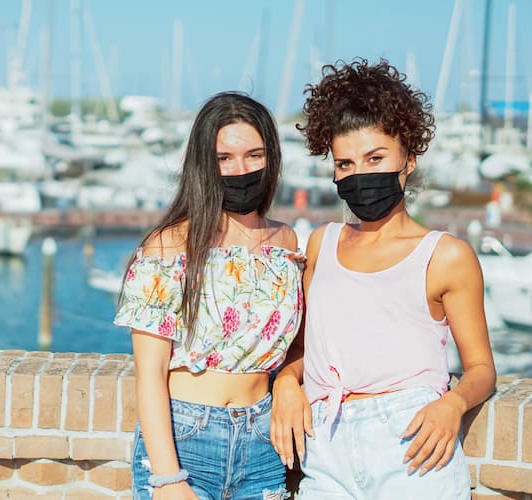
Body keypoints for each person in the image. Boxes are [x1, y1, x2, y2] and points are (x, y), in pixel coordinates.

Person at [271, 59, 496, 499]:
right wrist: (284, 383)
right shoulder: (321, 244)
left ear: (408, 159)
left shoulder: (446, 256)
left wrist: (453, 404)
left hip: (413, 449)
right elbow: (304, 352)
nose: (360, 175)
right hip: (326, 450)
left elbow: (482, 369)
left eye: (376, 158)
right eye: (346, 164)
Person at [114, 91, 304, 500]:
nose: (241, 169)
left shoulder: (285, 242)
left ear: (271, 158)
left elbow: (297, 345)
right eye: (224, 158)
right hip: (186, 440)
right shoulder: (169, 247)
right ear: (204, 164)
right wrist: (168, 477)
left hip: (264, 442)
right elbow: (149, 374)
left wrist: (288, 381)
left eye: (254, 155)